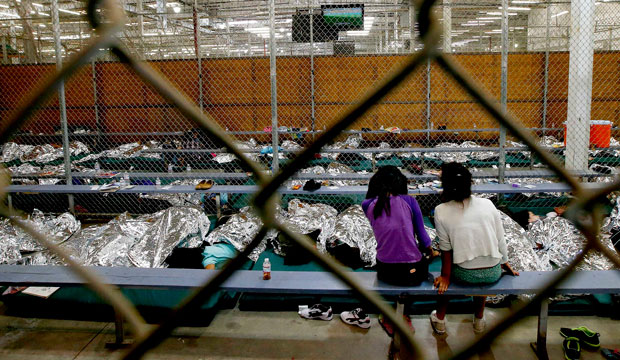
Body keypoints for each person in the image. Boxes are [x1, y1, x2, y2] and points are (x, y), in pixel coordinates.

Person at [340, 166, 433, 332]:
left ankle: (389, 314)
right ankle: (403, 313)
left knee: (390, 259)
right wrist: (431, 251)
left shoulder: (367, 204)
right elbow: (423, 236)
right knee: (422, 263)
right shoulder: (409, 201)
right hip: (412, 273)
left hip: (386, 270)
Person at [430, 162, 519, 335]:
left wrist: (445, 277)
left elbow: (446, 250)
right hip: (493, 272)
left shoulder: (440, 210)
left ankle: (440, 319)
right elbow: (500, 238)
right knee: (481, 261)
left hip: (465, 274)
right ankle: (479, 319)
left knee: (443, 282)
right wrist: (504, 263)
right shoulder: (487, 204)